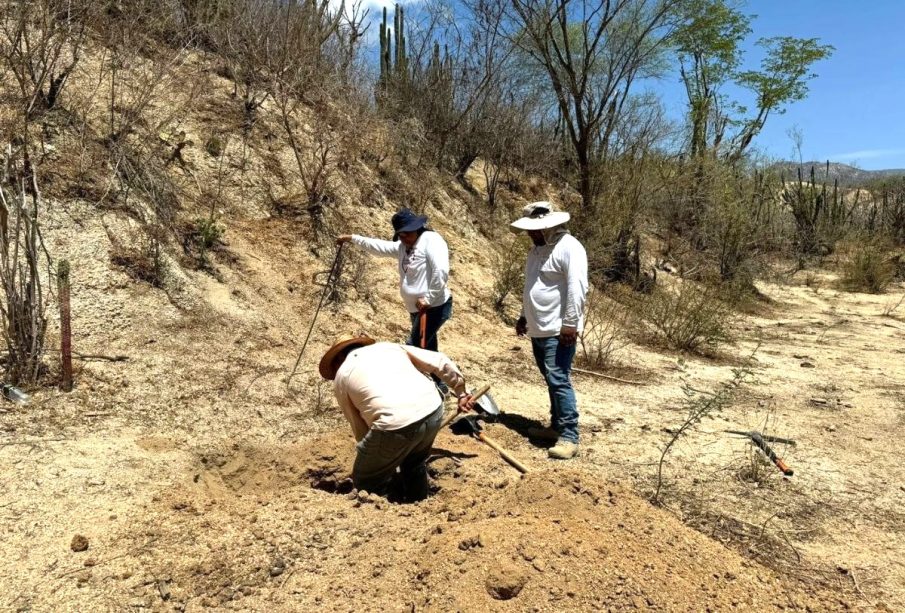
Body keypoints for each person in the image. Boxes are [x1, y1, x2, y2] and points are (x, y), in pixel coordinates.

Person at [319, 333, 477, 501]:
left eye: (334, 365)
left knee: (366, 480)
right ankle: (419, 504)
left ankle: (379, 517)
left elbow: (358, 425)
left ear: (339, 357)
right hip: (433, 409)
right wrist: (461, 392)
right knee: (414, 464)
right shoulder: (389, 347)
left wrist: (378, 456)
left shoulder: (342, 375)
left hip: (394, 424)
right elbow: (438, 361)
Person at [510, 201, 588, 460]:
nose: (531, 234)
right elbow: (532, 285)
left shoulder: (570, 248)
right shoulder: (535, 251)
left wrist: (570, 324)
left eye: (535, 229)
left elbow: (578, 288)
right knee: (550, 377)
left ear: (550, 227)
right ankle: (555, 426)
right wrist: (524, 316)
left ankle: (569, 435)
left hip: (558, 328)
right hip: (538, 327)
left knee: (558, 379)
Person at [336, 209, 452, 355]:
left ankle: (422, 377)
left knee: (413, 348)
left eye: (407, 233)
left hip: (434, 307)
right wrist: (352, 238)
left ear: (417, 228)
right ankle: (440, 378)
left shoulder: (431, 239)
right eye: (401, 235)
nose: (404, 238)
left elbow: (441, 270)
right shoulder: (402, 247)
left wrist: (429, 298)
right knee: (429, 351)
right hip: (417, 309)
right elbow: (378, 247)